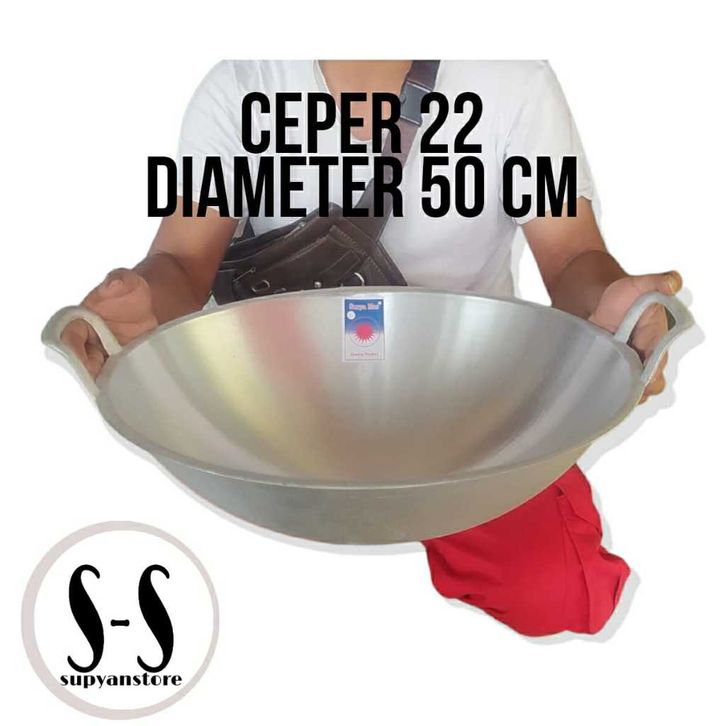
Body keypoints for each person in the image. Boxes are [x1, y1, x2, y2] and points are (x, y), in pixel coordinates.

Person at [61, 60, 683, 636]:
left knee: (557, 592)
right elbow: (181, 260)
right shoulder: (242, 82)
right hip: (280, 411)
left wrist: (608, 305)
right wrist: (142, 300)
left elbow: (572, 255)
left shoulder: (512, 77)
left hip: (465, 414)